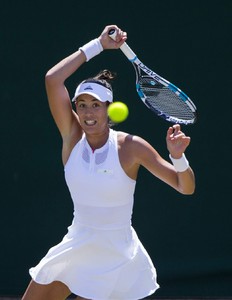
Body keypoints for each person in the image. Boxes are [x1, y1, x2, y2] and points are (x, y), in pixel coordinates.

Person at [22, 25, 195, 300]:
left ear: (108, 108)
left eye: (96, 105)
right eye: (82, 105)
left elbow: (185, 187)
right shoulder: (71, 137)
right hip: (78, 243)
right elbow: (52, 79)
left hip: (116, 255)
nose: (88, 112)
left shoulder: (131, 147)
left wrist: (177, 156)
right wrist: (98, 45)